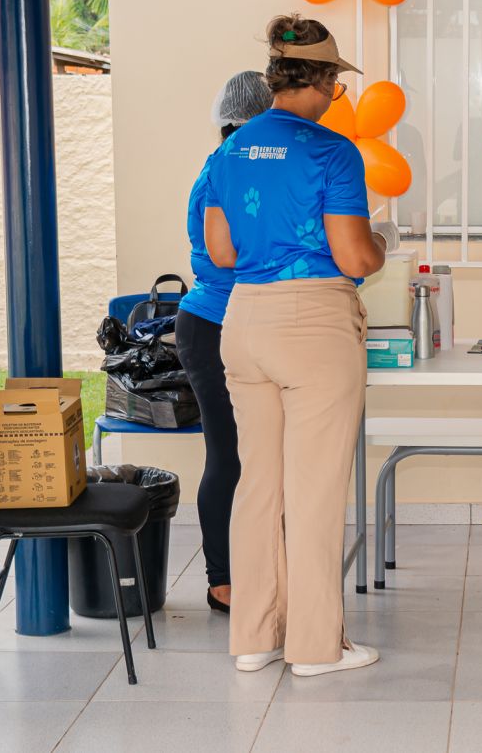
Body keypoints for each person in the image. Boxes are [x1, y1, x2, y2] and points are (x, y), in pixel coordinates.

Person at [203, 14, 386, 676]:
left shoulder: (227, 153)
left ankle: (255, 638)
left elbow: (222, 253)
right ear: (327, 81)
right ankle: (314, 648)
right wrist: (380, 245)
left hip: (244, 321)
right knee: (314, 492)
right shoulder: (333, 152)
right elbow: (354, 256)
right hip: (312, 326)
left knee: (258, 486)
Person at [176, 70, 273, 613]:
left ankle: (257, 569)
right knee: (229, 455)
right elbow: (230, 256)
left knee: (258, 457)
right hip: (213, 325)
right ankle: (222, 582)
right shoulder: (226, 170)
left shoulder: (248, 165)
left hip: (249, 321)